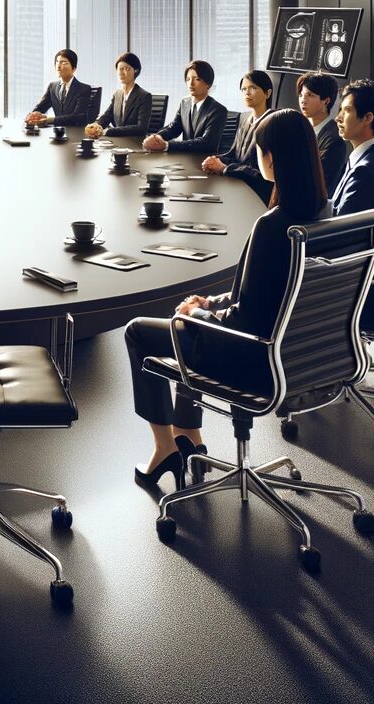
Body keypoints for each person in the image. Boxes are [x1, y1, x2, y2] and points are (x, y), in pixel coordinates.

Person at [123, 109, 330, 492]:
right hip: (302, 353)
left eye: (260, 150)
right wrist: (210, 303)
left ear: (273, 158)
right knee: (190, 323)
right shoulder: (324, 213)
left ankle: (164, 447)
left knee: (140, 332)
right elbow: (260, 295)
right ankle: (189, 435)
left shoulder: (272, 226)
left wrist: (198, 312)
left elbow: (240, 323)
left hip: (253, 358)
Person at [330, 78, 374, 331]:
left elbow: (338, 234)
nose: (338, 118)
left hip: (357, 284)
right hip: (368, 271)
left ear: (368, 118)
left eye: (346, 111)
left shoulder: (366, 170)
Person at [203, 70, 276, 201]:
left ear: (267, 93)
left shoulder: (273, 124)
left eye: (253, 88)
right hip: (241, 187)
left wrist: (224, 168)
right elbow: (234, 155)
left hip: (258, 195)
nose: (247, 93)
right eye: (243, 89)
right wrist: (214, 160)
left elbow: (261, 174)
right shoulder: (246, 120)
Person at [145, 59, 229, 154]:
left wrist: (167, 145)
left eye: (197, 79)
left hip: (204, 162)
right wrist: (157, 137)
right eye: (188, 79)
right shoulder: (184, 102)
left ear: (208, 84)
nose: (191, 83)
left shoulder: (218, 110)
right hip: (185, 157)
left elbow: (206, 143)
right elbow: (174, 128)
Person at [297, 70, 348, 190]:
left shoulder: (335, 139)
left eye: (310, 95)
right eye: (301, 95)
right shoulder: (299, 130)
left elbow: (320, 182)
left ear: (326, 101)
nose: (303, 100)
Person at [84, 52, 153, 139]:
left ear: (136, 70)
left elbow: (141, 128)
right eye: (120, 69)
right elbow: (107, 116)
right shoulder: (117, 94)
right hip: (117, 143)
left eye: (127, 69)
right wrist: (96, 125)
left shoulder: (144, 96)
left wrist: (108, 131)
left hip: (135, 143)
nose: (122, 72)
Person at [25, 49, 94, 128]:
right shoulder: (52, 87)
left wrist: (48, 119)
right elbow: (41, 108)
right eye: (57, 62)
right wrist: (33, 116)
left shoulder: (84, 89)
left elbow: (77, 117)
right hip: (58, 133)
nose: (58, 66)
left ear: (74, 68)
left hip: (76, 132)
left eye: (64, 62)